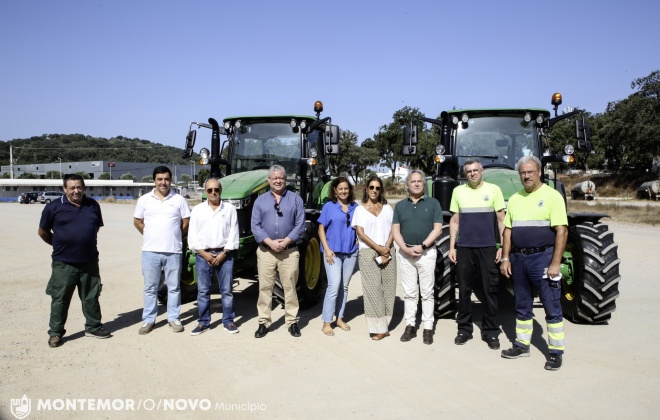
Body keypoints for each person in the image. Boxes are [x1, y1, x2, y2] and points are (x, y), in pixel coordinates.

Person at [500, 155, 568, 371]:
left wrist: (555, 263)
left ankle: (556, 352)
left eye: (530, 172)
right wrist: (505, 258)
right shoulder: (516, 198)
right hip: (519, 259)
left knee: (551, 305)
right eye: (522, 172)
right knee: (522, 304)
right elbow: (508, 231)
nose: (526, 176)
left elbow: (562, 231)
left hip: (543, 259)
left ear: (539, 172)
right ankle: (522, 345)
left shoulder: (552, 196)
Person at [38, 174, 111, 348]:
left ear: (84, 188)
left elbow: (96, 228)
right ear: (65, 189)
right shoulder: (54, 207)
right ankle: (55, 332)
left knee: (91, 296)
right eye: (72, 188)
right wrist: (58, 244)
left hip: (89, 261)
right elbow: (43, 231)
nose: (76, 191)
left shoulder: (93, 205)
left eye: (79, 187)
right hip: (64, 263)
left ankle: (93, 327)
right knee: (60, 299)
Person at [449, 158, 505, 349]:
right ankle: (464, 330)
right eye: (468, 172)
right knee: (464, 291)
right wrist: (452, 247)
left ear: (482, 171)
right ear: (465, 175)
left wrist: (502, 247)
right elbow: (454, 221)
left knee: (489, 290)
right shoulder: (458, 191)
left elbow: (501, 221)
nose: (472, 174)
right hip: (464, 248)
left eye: (475, 170)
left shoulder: (494, 190)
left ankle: (490, 332)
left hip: (488, 247)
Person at [134, 166, 191, 334]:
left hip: (173, 251)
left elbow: (185, 221)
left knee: (174, 287)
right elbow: (137, 221)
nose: (163, 182)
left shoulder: (179, 199)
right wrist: (149, 233)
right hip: (150, 251)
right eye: (159, 179)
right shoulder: (144, 200)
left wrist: (175, 235)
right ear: (154, 181)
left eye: (166, 179)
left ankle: (173, 318)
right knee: (150, 288)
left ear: (170, 180)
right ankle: (149, 320)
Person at [251, 164, 305, 338]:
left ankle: (292, 321)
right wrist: (271, 243)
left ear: (285, 179)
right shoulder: (260, 201)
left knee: (290, 288)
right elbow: (255, 226)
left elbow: (300, 225)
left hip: (289, 251)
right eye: (274, 178)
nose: (278, 181)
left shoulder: (296, 199)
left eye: (281, 178)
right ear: (269, 180)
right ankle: (264, 322)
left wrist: (286, 242)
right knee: (265, 288)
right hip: (266, 251)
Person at [392, 169, 443, 345]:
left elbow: (437, 229)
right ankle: (410, 326)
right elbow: (396, 231)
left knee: (427, 293)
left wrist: (422, 246)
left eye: (419, 181)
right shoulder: (400, 206)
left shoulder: (433, 203)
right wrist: (405, 248)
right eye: (413, 181)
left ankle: (428, 327)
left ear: (423, 184)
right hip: (406, 255)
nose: (416, 184)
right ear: (407, 185)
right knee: (410, 293)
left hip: (426, 254)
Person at [187, 178, 239, 336]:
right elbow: (193, 235)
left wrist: (224, 253)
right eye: (209, 190)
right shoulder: (197, 210)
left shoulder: (229, 209)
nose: (213, 192)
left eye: (216, 189)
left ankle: (228, 321)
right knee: (203, 291)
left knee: (227, 291)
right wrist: (204, 254)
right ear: (205, 192)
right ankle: (203, 322)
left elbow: (233, 233)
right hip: (203, 255)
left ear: (221, 191)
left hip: (225, 255)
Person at [352, 175, 396, 340]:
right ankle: (378, 327)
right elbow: (360, 234)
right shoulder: (360, 210)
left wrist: (386, 248)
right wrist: (378, 248)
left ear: (381, 190)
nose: (374, 191)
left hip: (388, 250)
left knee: (389, 289)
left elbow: (393, 229)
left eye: (377, 188)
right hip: (368, 252)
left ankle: (385, 324)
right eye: (371, 187)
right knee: (373, 290)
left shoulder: (387, 208)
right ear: (366, 189)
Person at [318, 177, 358, 336]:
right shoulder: (329, 206)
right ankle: (326, 322)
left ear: (350, 190)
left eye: (346, 188)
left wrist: (359, 239)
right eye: (340, 188)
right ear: (335, 190)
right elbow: (321, 229)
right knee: (333, 286)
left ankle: (339, 318)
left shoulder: (355, 207)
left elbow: (361, 227)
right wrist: (326, 249)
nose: (343, 191)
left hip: (350, 252)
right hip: (332, 253)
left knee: (344, 286)